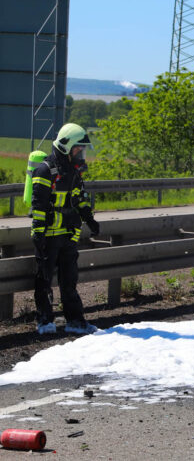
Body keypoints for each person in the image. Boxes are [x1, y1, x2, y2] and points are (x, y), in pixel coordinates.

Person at [30, 123, 100, 335]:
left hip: (68, 235)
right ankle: (44, 321)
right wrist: (38, 233)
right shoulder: (45, 170)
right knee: (44, 281)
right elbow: (39, 205)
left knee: (69, 281)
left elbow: (79, 199)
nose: (81, 153)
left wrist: (89, 218)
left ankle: (75, 321)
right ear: (66, 146)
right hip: (49, 237)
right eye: (79, 149)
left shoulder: (74, 172)